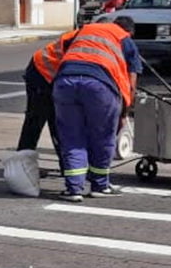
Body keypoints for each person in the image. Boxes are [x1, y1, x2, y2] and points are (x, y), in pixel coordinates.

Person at [52, 16, 142, 201]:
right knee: (102, 137)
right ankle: (100, 185)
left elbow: (60, 50)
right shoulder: (124, 38)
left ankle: (73, 189)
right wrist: (125, 110)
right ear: (129, 31)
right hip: (99, 86)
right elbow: (131, 82)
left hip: (65, 82)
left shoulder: (85, 30)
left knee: (72, 137)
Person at [16, 29, 79, 174]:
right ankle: (22, 164)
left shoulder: (91, 37)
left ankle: (67, 165)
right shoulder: (82, 40)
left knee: (59, 121)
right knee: (36, 120)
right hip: (41, 72)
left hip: (53, 75)